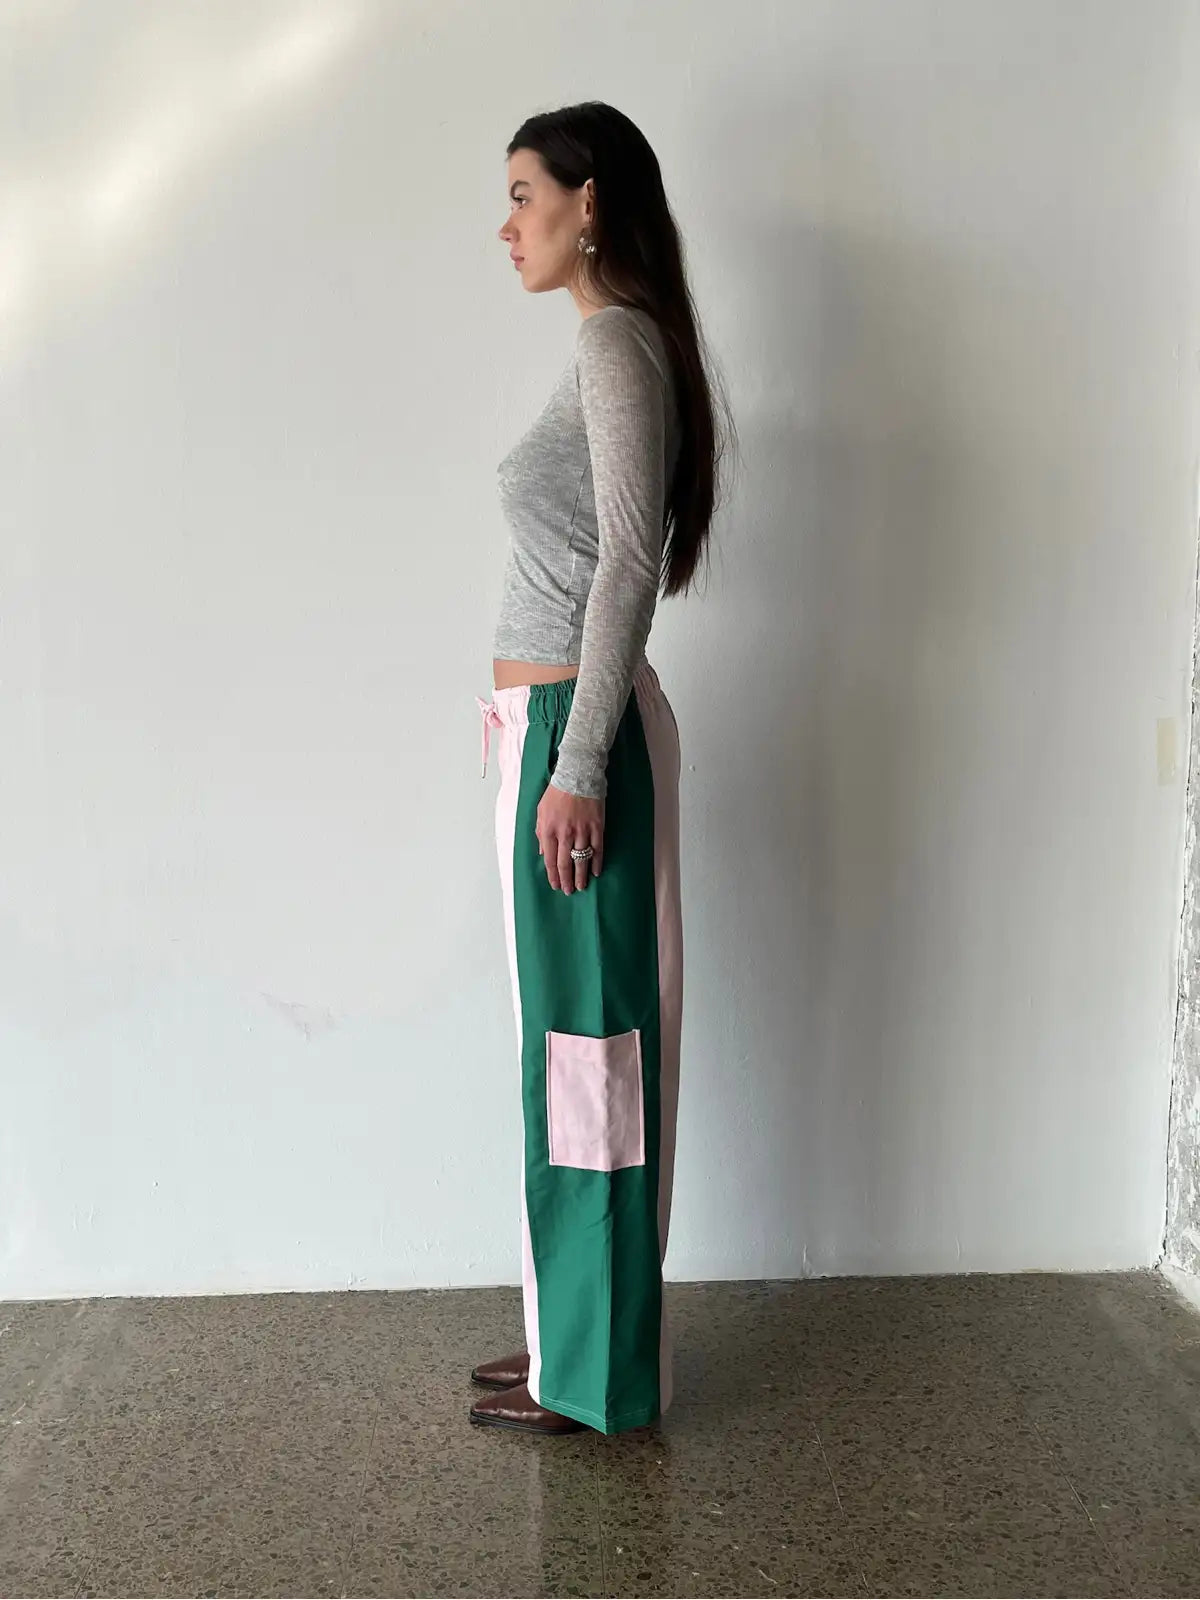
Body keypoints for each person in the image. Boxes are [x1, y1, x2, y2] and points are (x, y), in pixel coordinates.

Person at [469, 101, 735, 1437]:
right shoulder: (608, 345)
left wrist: (575, 762)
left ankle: (598, 1376)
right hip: (554, 730)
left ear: (591, 204)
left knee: (595, 1059)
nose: (507, 225)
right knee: (567, 1048)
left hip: (583, 738)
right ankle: (560, 1338)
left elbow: (631, 559)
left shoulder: (616, 345)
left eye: (525, 194)